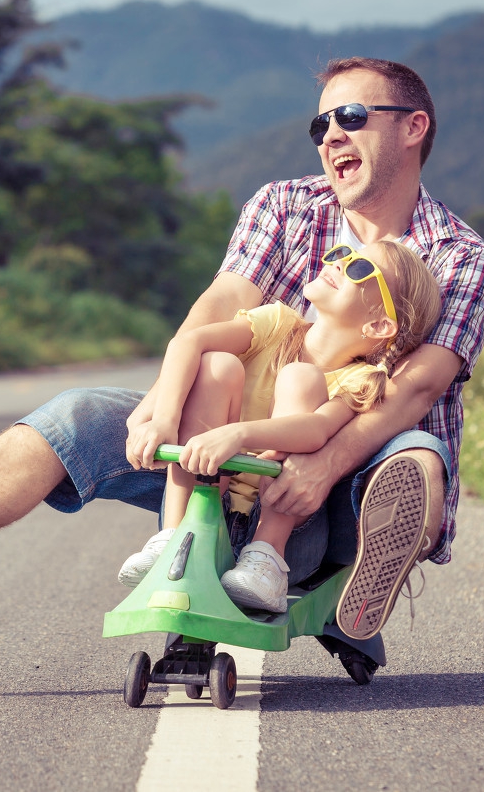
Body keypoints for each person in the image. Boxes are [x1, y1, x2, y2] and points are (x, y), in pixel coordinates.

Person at [0, 56, 484, 657]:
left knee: (414, 451)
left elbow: (415, 387)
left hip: (339, 490)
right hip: (228, 464)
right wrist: (164, 406)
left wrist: (319, 467)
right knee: (76, 415)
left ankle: (357, 580)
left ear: (413, 127)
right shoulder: (287, 205)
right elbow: (217, 308)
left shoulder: (459, 258)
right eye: (320, 125)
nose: (330, 137)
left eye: (351, 116)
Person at [119, 241, 441, 615]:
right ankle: (172, 538)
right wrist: (164, 419)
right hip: (205, 506)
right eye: (342, 254)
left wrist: (240, 434)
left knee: (300, 379)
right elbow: (189, 341)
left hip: (284, 528)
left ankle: (266, 558)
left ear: (379, 325)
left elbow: (317, 430)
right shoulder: (276, 323)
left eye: (359, 270)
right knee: (216, 366)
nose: (338, 264)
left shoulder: (364, 379)